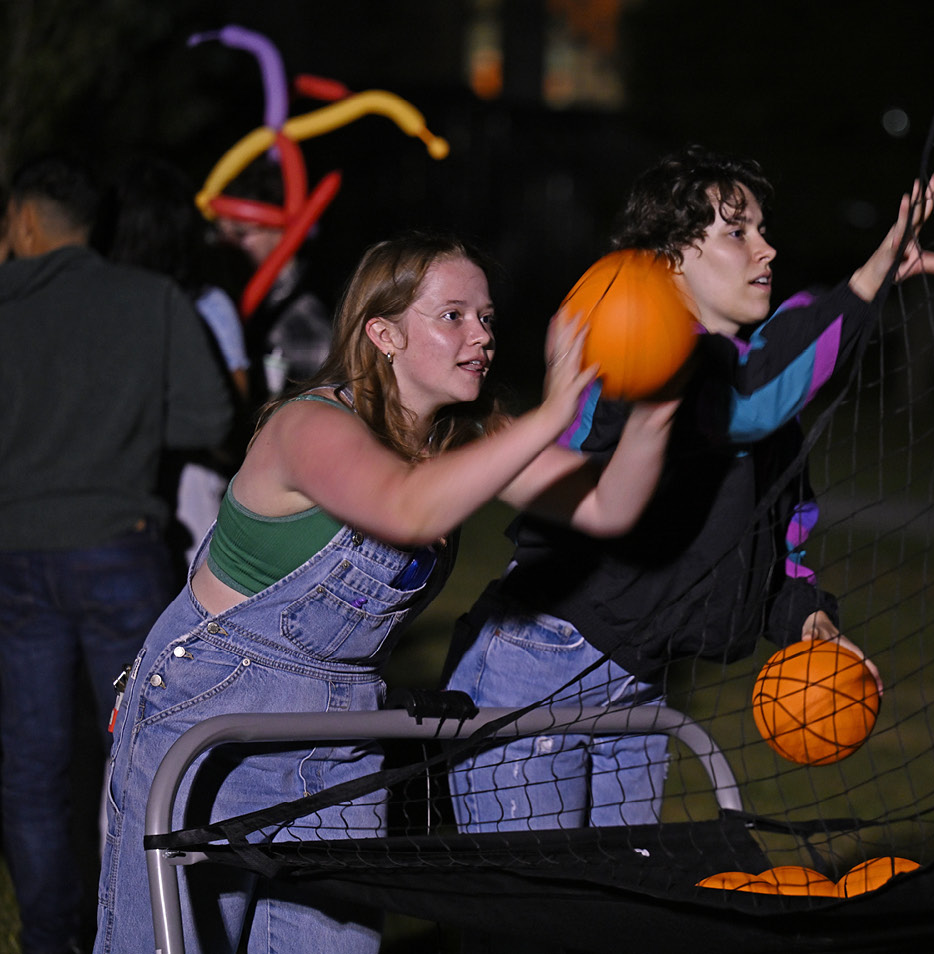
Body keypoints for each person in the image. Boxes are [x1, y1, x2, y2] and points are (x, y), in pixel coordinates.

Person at [93, 230, 679, 954]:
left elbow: (607, 508)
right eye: (454, 316)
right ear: (384, 333)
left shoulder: (458, 441)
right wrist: (555, 412)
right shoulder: (307, 426)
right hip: (210, 719)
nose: (482, 336)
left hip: (337, 736)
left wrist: (656, 406)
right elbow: (407, 509)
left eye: (488, 318)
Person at [442, 146, 934, 832]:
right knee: (529, 919)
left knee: (622, 910)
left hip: (638, 677)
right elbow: (751, 395)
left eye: (763, 230)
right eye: (738, 232)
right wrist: (867, 281)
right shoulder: (634, 357)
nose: (767, 250)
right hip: (541, 661)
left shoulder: (754, 393)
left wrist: (809, 618)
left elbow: (772, 534)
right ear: (670, 259)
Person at [0, 154, 234, 954]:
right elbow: (209, 417)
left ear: (24, 222)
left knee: (32, 770)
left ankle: (49, 938)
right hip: (120, 553)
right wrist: (121, 427)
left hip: (13, 560)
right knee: (152, 761)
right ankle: (149, 928)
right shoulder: (152, 300)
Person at [104, 156, 253, 572]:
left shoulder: (95, 308)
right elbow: (235, 415)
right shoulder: (207, 304)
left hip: (115, 497)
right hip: (190, 489)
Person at [214, 158, 333, 407]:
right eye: (219, 235)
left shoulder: (300, 315)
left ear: (281, 231)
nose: (227, 247)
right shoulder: (226, 297)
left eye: (240, 234)